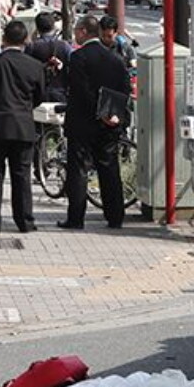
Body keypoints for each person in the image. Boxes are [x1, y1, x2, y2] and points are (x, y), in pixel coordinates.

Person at [59, 15, 132, 230]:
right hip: (109, 124)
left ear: (83, 31)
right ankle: (115, 216)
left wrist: (99, 111)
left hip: (82, 122)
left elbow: (80, 90)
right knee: (109, 168)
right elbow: (124, 89)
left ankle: (76, 218)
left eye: (76, 31)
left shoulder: (79, 58)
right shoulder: (115, 60)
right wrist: (112, 113)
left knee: (79, 170)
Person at [0, 18, 47, 233]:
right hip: (23, 125)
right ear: (25, 39)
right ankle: (25, 221)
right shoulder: (34, 66)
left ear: (4, 39)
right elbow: (40, 96)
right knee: (22, 175)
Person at [24, 11, 73, 104]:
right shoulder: (64, 46)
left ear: (37, 27)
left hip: (38, 93)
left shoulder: (32, 47)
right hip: (60, 91)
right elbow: (73, 64)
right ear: (53, 26)